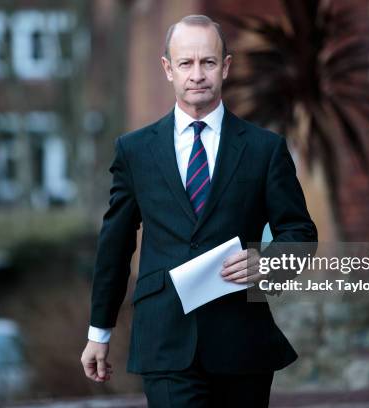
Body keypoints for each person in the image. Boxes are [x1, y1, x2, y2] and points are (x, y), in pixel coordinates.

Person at [81, 14, 317, 408]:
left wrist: (268, 263)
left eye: (208, 62)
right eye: (186, 63)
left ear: (225, 67)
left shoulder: (264, 150)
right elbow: (115, 246)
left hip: (242, 341)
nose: (197, 74)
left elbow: (301, 234)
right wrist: (98, 331)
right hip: (165, 339)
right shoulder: (135, 151)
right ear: (167, 69)